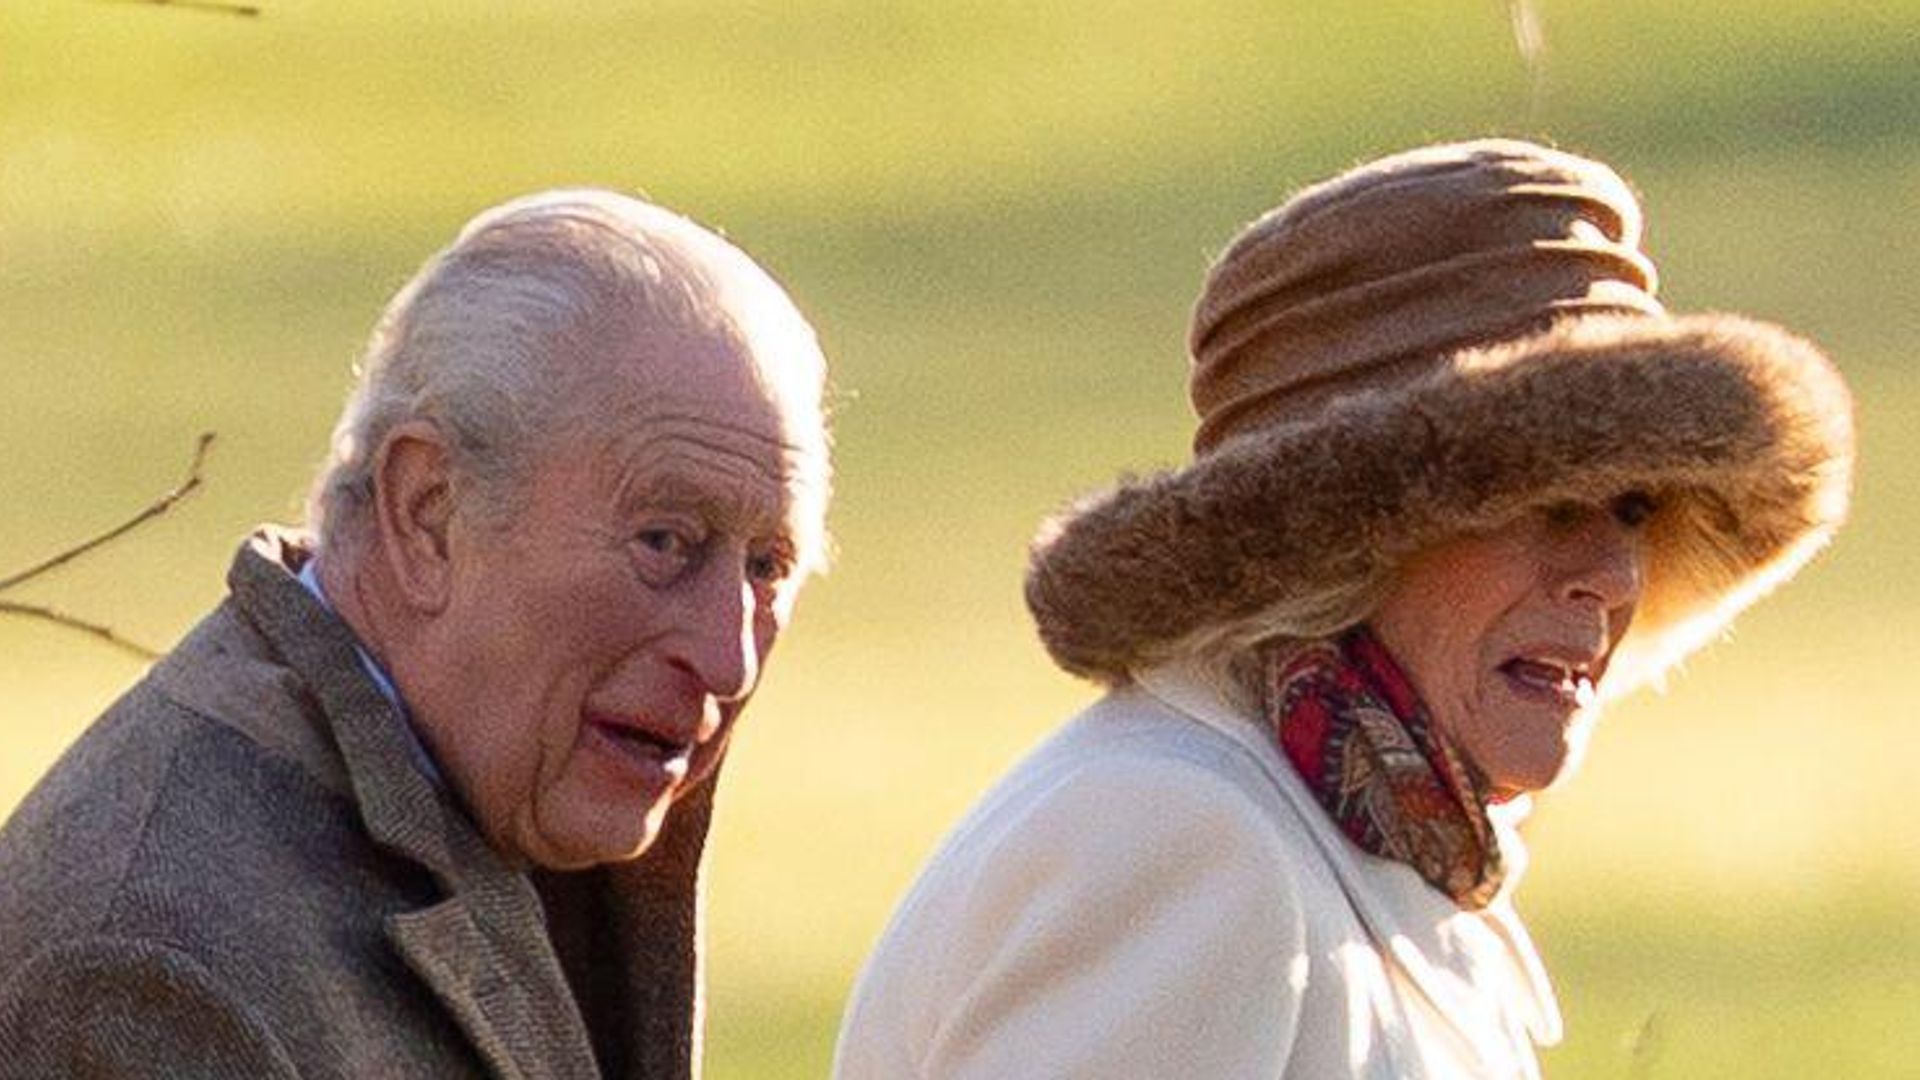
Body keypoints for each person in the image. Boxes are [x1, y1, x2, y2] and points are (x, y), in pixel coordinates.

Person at [833, 140, 1854, 1078]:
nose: (1611, 575)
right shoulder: (1179, 833)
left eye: (1634, 508)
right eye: (1544, 501)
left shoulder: (1388, 844)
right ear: (1352, 536)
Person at [0, 189, 833, 1078]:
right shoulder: (155, 973)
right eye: (664, 542)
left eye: (767, 566)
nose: (728, 657)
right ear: (428, 512)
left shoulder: (523, 781)